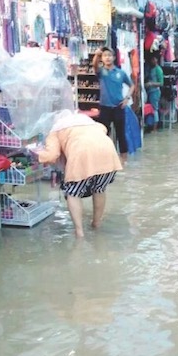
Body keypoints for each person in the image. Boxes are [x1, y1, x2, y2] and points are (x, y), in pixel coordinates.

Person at [35, 110, 123, 238]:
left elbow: (51, 156)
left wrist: (35, 153)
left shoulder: (56, 130)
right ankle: (96, 224)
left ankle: (79, 232)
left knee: (73, 193)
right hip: (108, 154)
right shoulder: (89, 122)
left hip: (81, 155)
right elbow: (103, 129)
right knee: (99, 189)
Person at [92, 47, 134, 164]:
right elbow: (94, 66)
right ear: (102, 58)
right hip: (105, 107)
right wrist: (96, 55)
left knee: (121, 134)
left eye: (109, 55)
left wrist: (127, 99)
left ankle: (123, 160)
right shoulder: (101, 72)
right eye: (105, 56)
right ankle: (105, 158)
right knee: (103, 133)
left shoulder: (120, 73)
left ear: (114, 58)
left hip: (118, 107)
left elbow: (132, 85)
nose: (108, 58)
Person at [144, 55, 164, 132]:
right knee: (151, 109)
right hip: (150, 92)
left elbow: (161, 83)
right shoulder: (150, 69)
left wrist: (151, 84)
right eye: (152, 59)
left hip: (155, 92)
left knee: (154, 109)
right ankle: (151, 126)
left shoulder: (158, 70)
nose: (153, 60)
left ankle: (155, 128)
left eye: (154, 59)